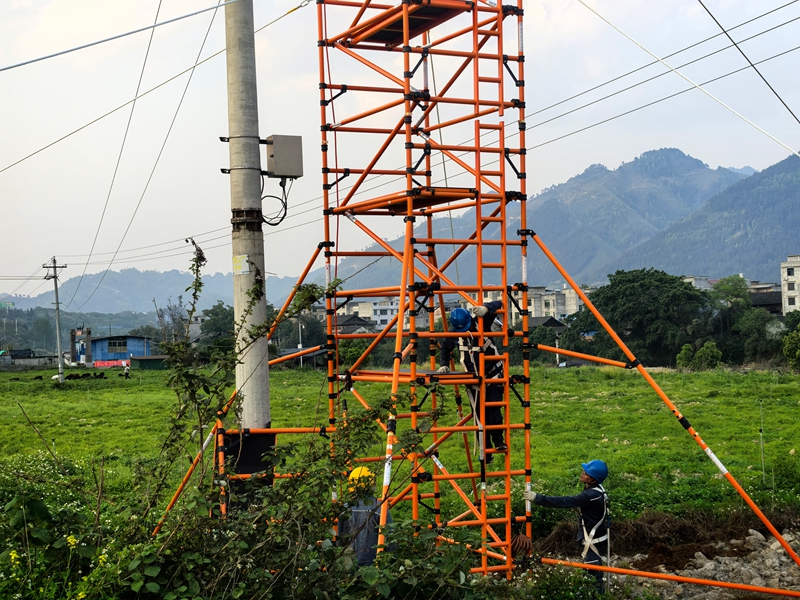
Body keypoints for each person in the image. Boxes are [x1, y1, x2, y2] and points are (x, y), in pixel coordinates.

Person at [524, 460, 610, 594]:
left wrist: (537, 498)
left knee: (593, 576)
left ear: (593, 479)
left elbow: (564, 501)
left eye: (586, 473)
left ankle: (596, 596)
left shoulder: (589, 495)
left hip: (593, 542)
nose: (582, 473)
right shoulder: (597, 490)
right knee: (592, 573)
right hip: (598, 538)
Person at [438, 302, 507, 462]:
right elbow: (444, 348)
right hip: (473, 379)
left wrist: (486, 308)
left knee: (493, 409)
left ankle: (499, 441)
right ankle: (486, 452)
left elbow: (500, 303)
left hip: (492, 374)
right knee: (479, 416)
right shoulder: (455, 334)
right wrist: (444, 365)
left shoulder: (482, 322)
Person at [337, 467, 393, 567]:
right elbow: (390, 539)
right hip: (374, 566)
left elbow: (341, 541)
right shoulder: (380, 508)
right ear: (372, 485)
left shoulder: (344, 509)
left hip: (349, 566)